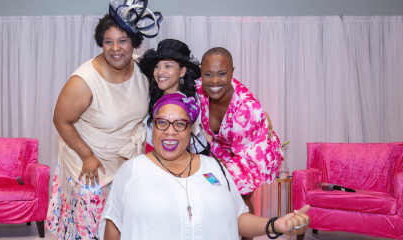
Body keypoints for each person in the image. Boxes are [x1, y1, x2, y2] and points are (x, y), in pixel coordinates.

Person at [99, 93, 309, 240]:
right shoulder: (133, 170)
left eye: (180, 124)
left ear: (190, 129)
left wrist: (276, 224)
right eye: (162, 122)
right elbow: (114, 227)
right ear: (152, 128)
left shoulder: (215, 167)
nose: (170, 131)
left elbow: (239, 218)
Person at [46, 1, 162, 239]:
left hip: (126, 161)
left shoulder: (143, 68)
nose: (115, 48)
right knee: (89, 225)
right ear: (101, 43)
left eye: (123, 41)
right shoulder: (84, 80)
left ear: (134, 42)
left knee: (120, 224)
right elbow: (61, 120)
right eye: (108, 41)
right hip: (89, 161)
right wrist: (87, 156)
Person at [196, 47, 284, 239]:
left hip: (253, 148)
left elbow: (244, 155)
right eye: (208, 74)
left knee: (239, 198)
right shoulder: (198, 92)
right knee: (215, 190)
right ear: (201, 73)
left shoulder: (246, 108)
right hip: (225, 144)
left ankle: (245, 236)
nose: (215, 81)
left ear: (232, 72)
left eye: (222, 74)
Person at [138, 39, 209, 155]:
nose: (160, 72)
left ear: (182, 71)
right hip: (159, 156)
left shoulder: (191, 100)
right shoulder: (148, 96)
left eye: (168, 66)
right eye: (157, 66)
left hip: (192, 156)